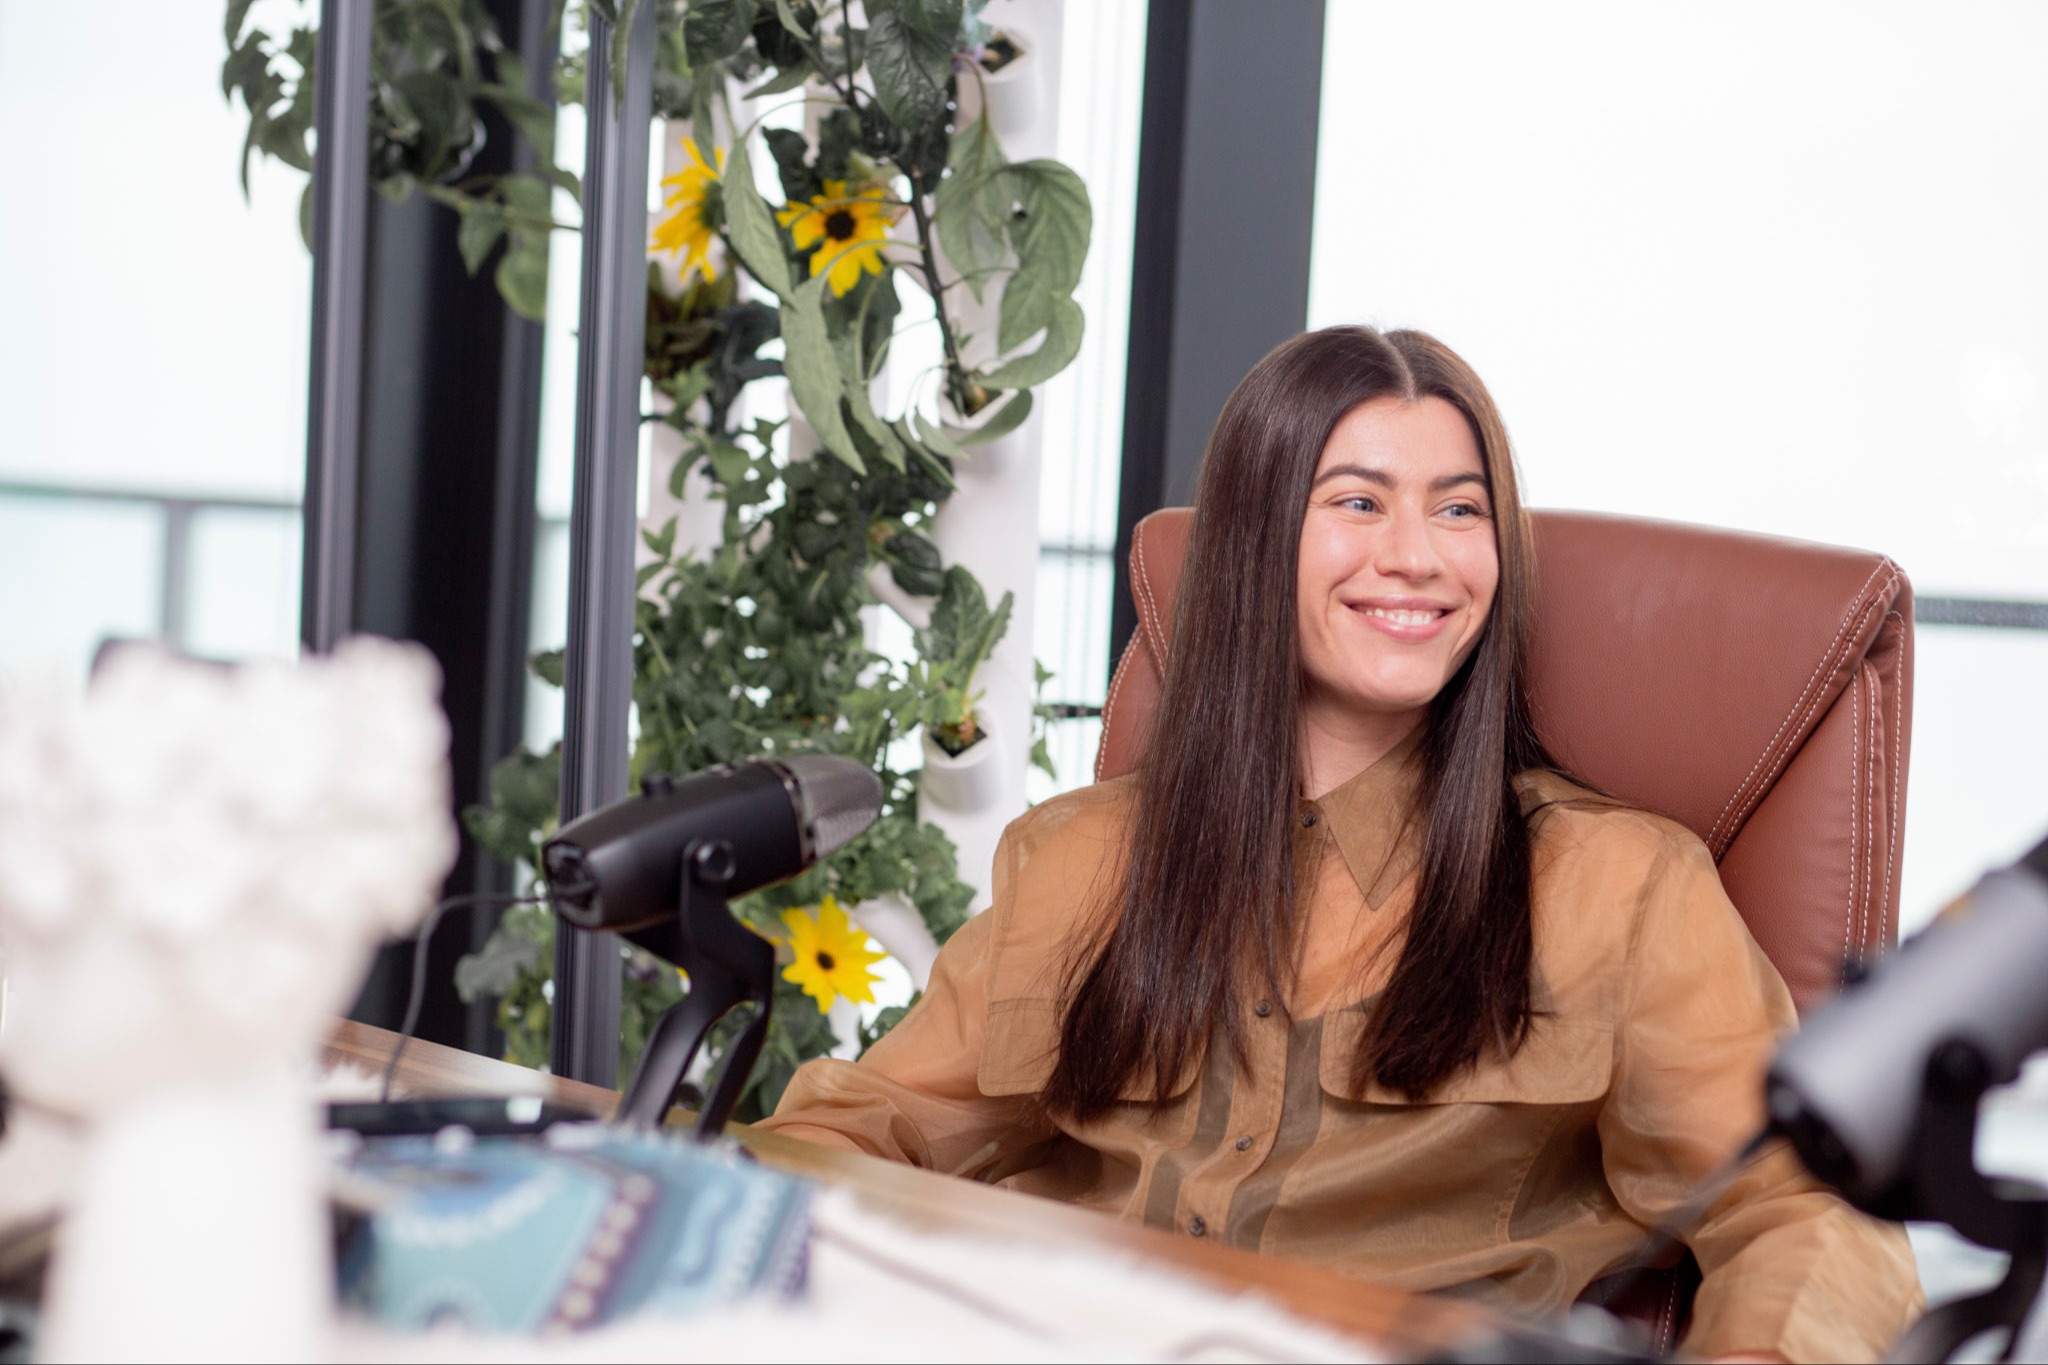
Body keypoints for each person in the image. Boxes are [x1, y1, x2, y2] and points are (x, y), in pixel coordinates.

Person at [756, 326, 1923, 1362]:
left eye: (1458, 509)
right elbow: (861, 1131)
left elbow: (1806, 1214)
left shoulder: (1619, 889)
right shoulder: (1076, 861)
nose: (1417, 556)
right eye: (1357, 502)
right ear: (1258, 541)